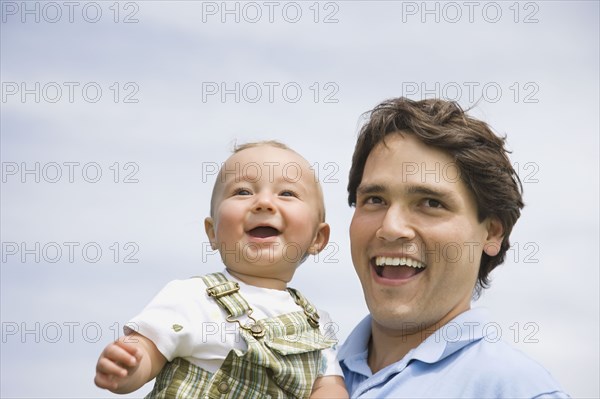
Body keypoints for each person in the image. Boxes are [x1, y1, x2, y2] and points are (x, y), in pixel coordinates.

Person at [339, 97, 569, 398]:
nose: (391, 228)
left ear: (492, 232)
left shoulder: (519, 390)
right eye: (375, 200)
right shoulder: (302, 371)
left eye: (431, 203)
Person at [94, 141, 348, 398]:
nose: (264, 203)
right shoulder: (191, 296)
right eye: (243, 192)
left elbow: (328, 384)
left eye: (287, 193)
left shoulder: (315, 321)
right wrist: (128, 365)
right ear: (213, 232)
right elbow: (149, 348)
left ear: (318, 238)